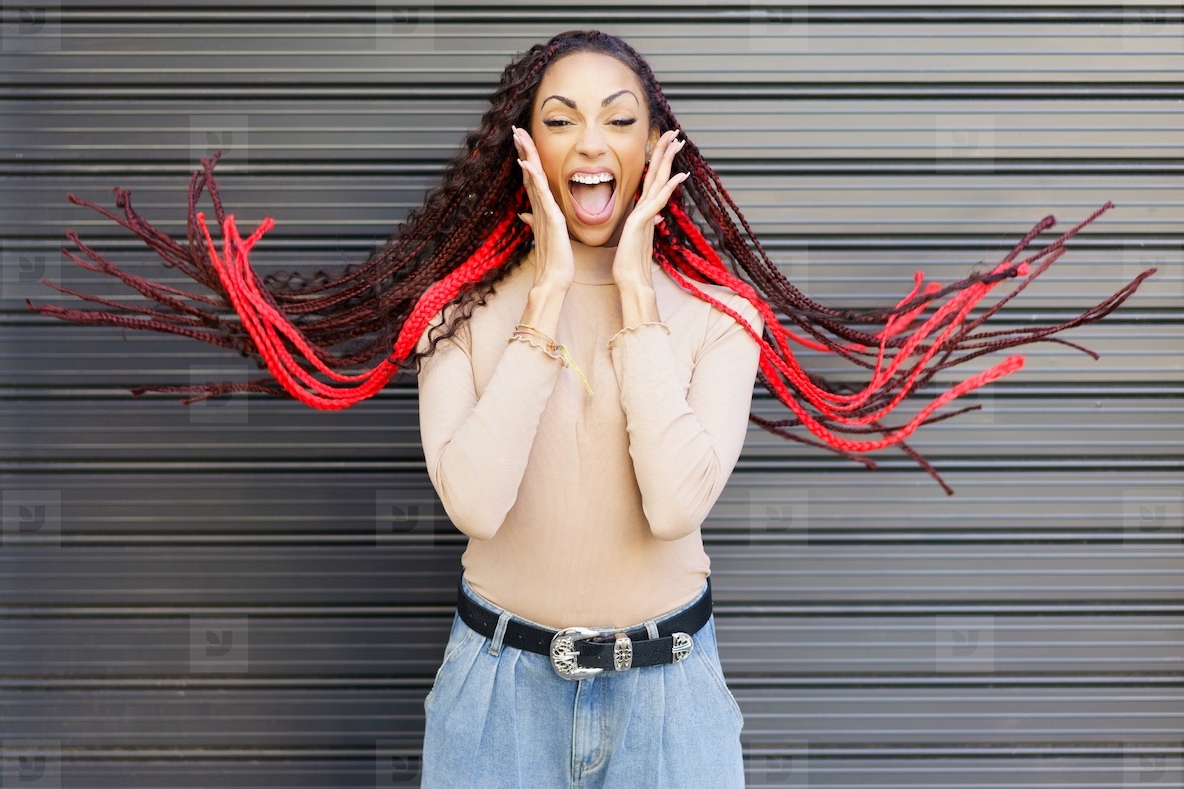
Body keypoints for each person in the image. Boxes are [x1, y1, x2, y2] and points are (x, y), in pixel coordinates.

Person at [25, 28, 1153, 789]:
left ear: (655, 148)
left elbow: (672, 505)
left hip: (673, 703)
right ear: (523, 151)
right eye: (559, 119)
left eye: (616, 117)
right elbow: (473, 502)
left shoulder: (719, 320)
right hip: (492, 699)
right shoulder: (454, 315)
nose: (588, 142)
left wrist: (631, 298)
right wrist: (549, 298)